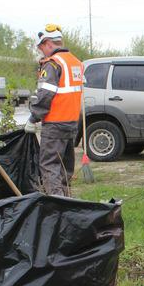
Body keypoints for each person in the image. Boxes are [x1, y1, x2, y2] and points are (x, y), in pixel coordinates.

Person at [25, 25, 83, 197]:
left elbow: (45, 96)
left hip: (55, 124)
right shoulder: (75, 62)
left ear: (48, 43)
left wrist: (33, 118)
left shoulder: (53, 64)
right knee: (65, 169)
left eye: (41, 47)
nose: (41, 52)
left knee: (50, 167)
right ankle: (67, 203)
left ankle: (57, 207)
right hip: (72, 123)